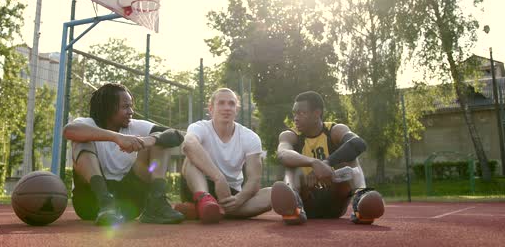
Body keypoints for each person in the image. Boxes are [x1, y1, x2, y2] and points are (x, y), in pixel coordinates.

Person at [63, 83, 185, 226]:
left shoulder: (135, 126)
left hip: (129, 203)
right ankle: (106, 203)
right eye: (125, 107)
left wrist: (150, 140)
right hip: (90, 204)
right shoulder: (86, 123)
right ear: (108, 108)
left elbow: (176, 135)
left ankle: (156, 204)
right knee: (81, 141)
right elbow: (68, 131)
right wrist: (117, 137)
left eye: (131, 106)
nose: (131, 111)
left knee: (161, 141)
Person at [271, 91, 384, 225]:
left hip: (335, 198)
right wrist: (314, 163)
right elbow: (282, 154)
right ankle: (293, 205)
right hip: (307, 200)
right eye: (294, 113)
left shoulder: (334, 130)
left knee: (349, 157)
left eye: (301, 113)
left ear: (316, 113)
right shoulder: (289, 135)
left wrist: (326, 163)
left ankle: (361, 199)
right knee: (291, 167)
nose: (295, 118)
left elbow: (358, 144)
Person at [175, 88, 272, 224]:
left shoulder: (250, 137)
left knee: (272, 193)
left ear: (236, 110)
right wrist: (218, 178)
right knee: (190, 160)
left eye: (231, 104)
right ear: (211, 108)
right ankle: (205, 202)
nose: (227, 108)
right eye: (221, 103)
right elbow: (188, 145)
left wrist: (239, 199)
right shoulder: (199, 127)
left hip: (230, 196)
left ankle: (208, 210)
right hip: (199, 186)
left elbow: (254, 180)